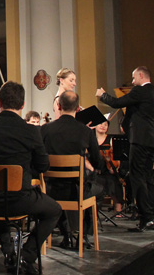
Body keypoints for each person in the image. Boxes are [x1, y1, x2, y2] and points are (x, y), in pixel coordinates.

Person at [0, 81, 61, 274]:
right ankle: (27, 255)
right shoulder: (30, 131)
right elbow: (43, 166)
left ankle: (9, 253)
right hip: (19, 200)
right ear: (22, 105)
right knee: (54, 210)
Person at [97, 65, 154, 232]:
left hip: (140, 141)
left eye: (134, 78)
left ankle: (146, 218)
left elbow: (116, 103)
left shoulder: (140, 91)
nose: (133, 82)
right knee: (148, 178)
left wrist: (102, 95)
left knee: (137, 178)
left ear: (141, 75)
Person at [42, 91, 103, 249]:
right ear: (77, 109)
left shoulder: (45, 130)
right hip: (76, 190)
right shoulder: (85, 131)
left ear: (59, 106)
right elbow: (97, 161)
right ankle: (82, 235)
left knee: (63, 191)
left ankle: (67, 234)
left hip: (50, 189)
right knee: (91, 188)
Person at [93, 119, 125, 217]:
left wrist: (115, 166)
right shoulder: (91, 139)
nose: (103, 126)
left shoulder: (111, 139)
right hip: (96, 169)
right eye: (100, 124)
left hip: (109, 170)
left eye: (105, 124)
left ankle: (118, 208)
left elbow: (117, 156)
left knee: (113, 181)